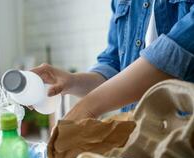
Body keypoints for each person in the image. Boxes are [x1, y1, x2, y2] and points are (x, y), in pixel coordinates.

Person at [32, 0, 194, 121]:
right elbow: (114, 66)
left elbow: (172, 55)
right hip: (137, 141)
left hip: (185, 143)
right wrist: (72, 81)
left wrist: (87, 107)